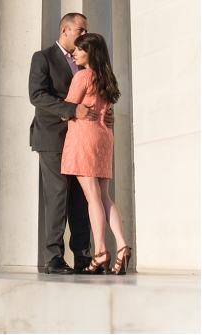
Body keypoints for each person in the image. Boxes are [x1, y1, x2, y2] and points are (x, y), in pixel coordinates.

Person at [28, 13, 114, 274]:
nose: (84, 33)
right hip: (53, 136)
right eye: (80, 29)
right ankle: (54, 258)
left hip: (83, 139)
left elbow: (95, 96)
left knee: (82, 199)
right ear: (65, 29)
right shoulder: (42, 58)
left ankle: (83, 256)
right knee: (57, 197)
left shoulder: (86, 61)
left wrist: (106, 113)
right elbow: (37, 95)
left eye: (86, 29)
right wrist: (71, 109)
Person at [61, 33, 130, 274]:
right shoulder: (106, 77)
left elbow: (66, 110)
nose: (75, 53)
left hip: (85, 137)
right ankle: (122, 246)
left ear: (90, 53)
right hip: (103, 136)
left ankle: (100, 251)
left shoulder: (83, 76)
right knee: (104, 196)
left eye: (80, 50)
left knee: (92, 197)